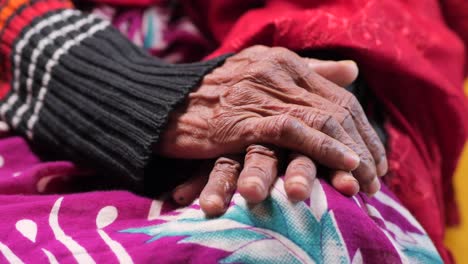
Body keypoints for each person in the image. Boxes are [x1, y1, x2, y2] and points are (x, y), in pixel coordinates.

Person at [0, 0, 386, 214]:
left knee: (313, 209)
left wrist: (301, 89)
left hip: (246, 73)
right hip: (31, 104)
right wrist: (128, 87)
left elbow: (385, 21)